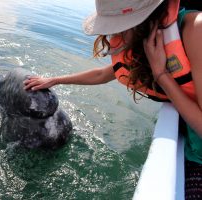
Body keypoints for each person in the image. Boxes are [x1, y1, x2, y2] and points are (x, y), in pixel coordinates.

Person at [24, 0, 202, 198]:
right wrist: (54, 80)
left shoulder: (196, 30)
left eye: (118, 27)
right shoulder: (145, 39)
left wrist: (161, 74)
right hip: (190, 141)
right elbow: (103, 74)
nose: (112, 36)